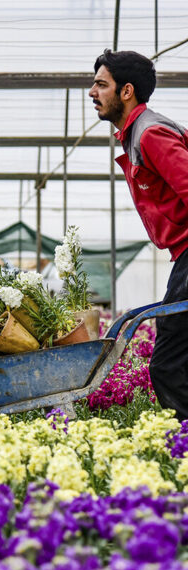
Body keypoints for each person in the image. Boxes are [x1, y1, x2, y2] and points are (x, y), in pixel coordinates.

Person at [89, 49, 188, 420]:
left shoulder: (151, 134)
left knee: (168, 366)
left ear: (126, 91)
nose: (92, 92)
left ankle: (183, 445)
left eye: (101, 84)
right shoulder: (139, 134)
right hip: (182, 254)